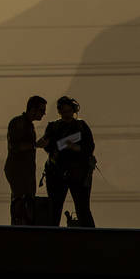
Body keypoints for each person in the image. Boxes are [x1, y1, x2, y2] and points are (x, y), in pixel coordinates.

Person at [40, 96, 96, 227]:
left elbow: (90, 147)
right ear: (59, 112)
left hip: (79, 174)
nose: (67, 115)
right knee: (54, 209)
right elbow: (48, 146)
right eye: (64, 112)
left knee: (83, 209)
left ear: (74, 111)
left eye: (69, 111)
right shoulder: (53, 127)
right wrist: (59, 144)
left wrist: (75, 147)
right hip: (56, 174)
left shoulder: (81, 126)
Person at [4, 95, 47, 225]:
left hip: (26, 172)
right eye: (42, 110)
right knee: (19, 203)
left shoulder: (29, 125)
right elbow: (15, 146)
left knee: (27, 204)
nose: (44, 114)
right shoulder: (18, 123)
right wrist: (35, 145)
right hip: (18, 171)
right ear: (33, 109)